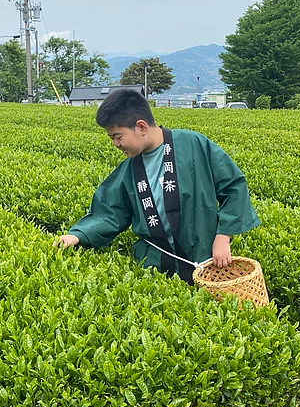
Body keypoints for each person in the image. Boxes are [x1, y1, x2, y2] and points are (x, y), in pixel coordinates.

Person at [54, 88, 260, 284]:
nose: (115, 144)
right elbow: (110, 212)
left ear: (141, 127)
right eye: (112, 138)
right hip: (153, 265)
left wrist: (223, 237)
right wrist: (78, 235)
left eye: (118, 137)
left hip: (204, 259)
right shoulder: (129, 169)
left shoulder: (193, 145)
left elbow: (234, 187)